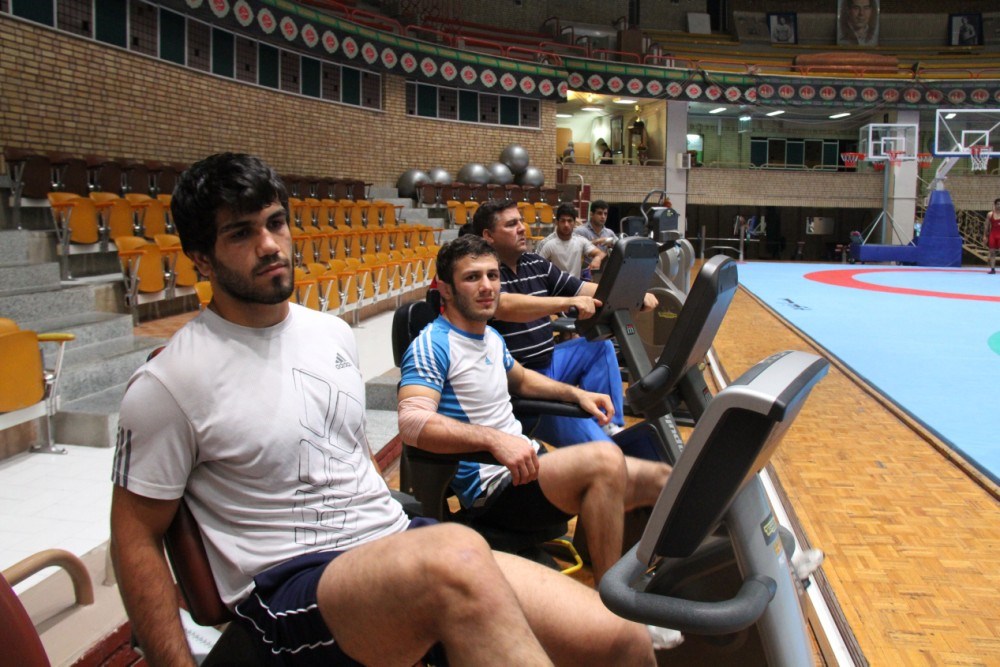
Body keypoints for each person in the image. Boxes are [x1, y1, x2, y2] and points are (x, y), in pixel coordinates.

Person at [109, 153, 659, 666]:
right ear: (201, 257)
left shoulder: (330, 334)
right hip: (288, 586)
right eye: (240, 233)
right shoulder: (168, 383)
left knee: (623, 639)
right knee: (455, 553)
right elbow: (135, 539)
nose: (270, 245)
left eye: (275, 223)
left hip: (393, 539)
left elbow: (345, 457)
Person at [397, 235, 672, 587]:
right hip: (492, 490)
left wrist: (577, 394)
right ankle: (612, 603)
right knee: (605, 460)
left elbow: (523, 380)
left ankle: (642, 577)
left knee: (662, 477)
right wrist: (494, 440)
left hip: (528, 468)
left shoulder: (490, 337)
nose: (487, 286)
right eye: (472, 277)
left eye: (493, 275)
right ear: (446, 290)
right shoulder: (431, 345)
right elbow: (412, 422)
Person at [473, 200, 658, 448]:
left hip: (551, 363)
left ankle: (609, 424)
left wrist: (633, 295)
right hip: (521, 382)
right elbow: (504, 306)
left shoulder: (534, 263)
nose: (522, 228)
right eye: (511, 224)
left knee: (599, 346)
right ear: (488, 236)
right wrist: (566, 302)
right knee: (604, 451)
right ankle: (603, 445)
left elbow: (582, 288)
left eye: (521, 221)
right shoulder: (484, 273)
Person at [536, 203, 605, 279]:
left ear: (574, 223)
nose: (566, 225)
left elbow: (600, 253)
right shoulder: (547, 243)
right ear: (557, 222)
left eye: (569, 221)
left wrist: (597, 258)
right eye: (563, 221)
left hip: (576, 284)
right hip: (555, 285)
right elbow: (535, 267)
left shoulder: (580, 241)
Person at [986, 197, 1000, 274]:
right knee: (992, 252)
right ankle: (993, 269)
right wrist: (985, 236)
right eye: (998, 204)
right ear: (995, 205)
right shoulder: (990, 214)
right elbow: (986, 225)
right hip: (993, 235)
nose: (999, 206)